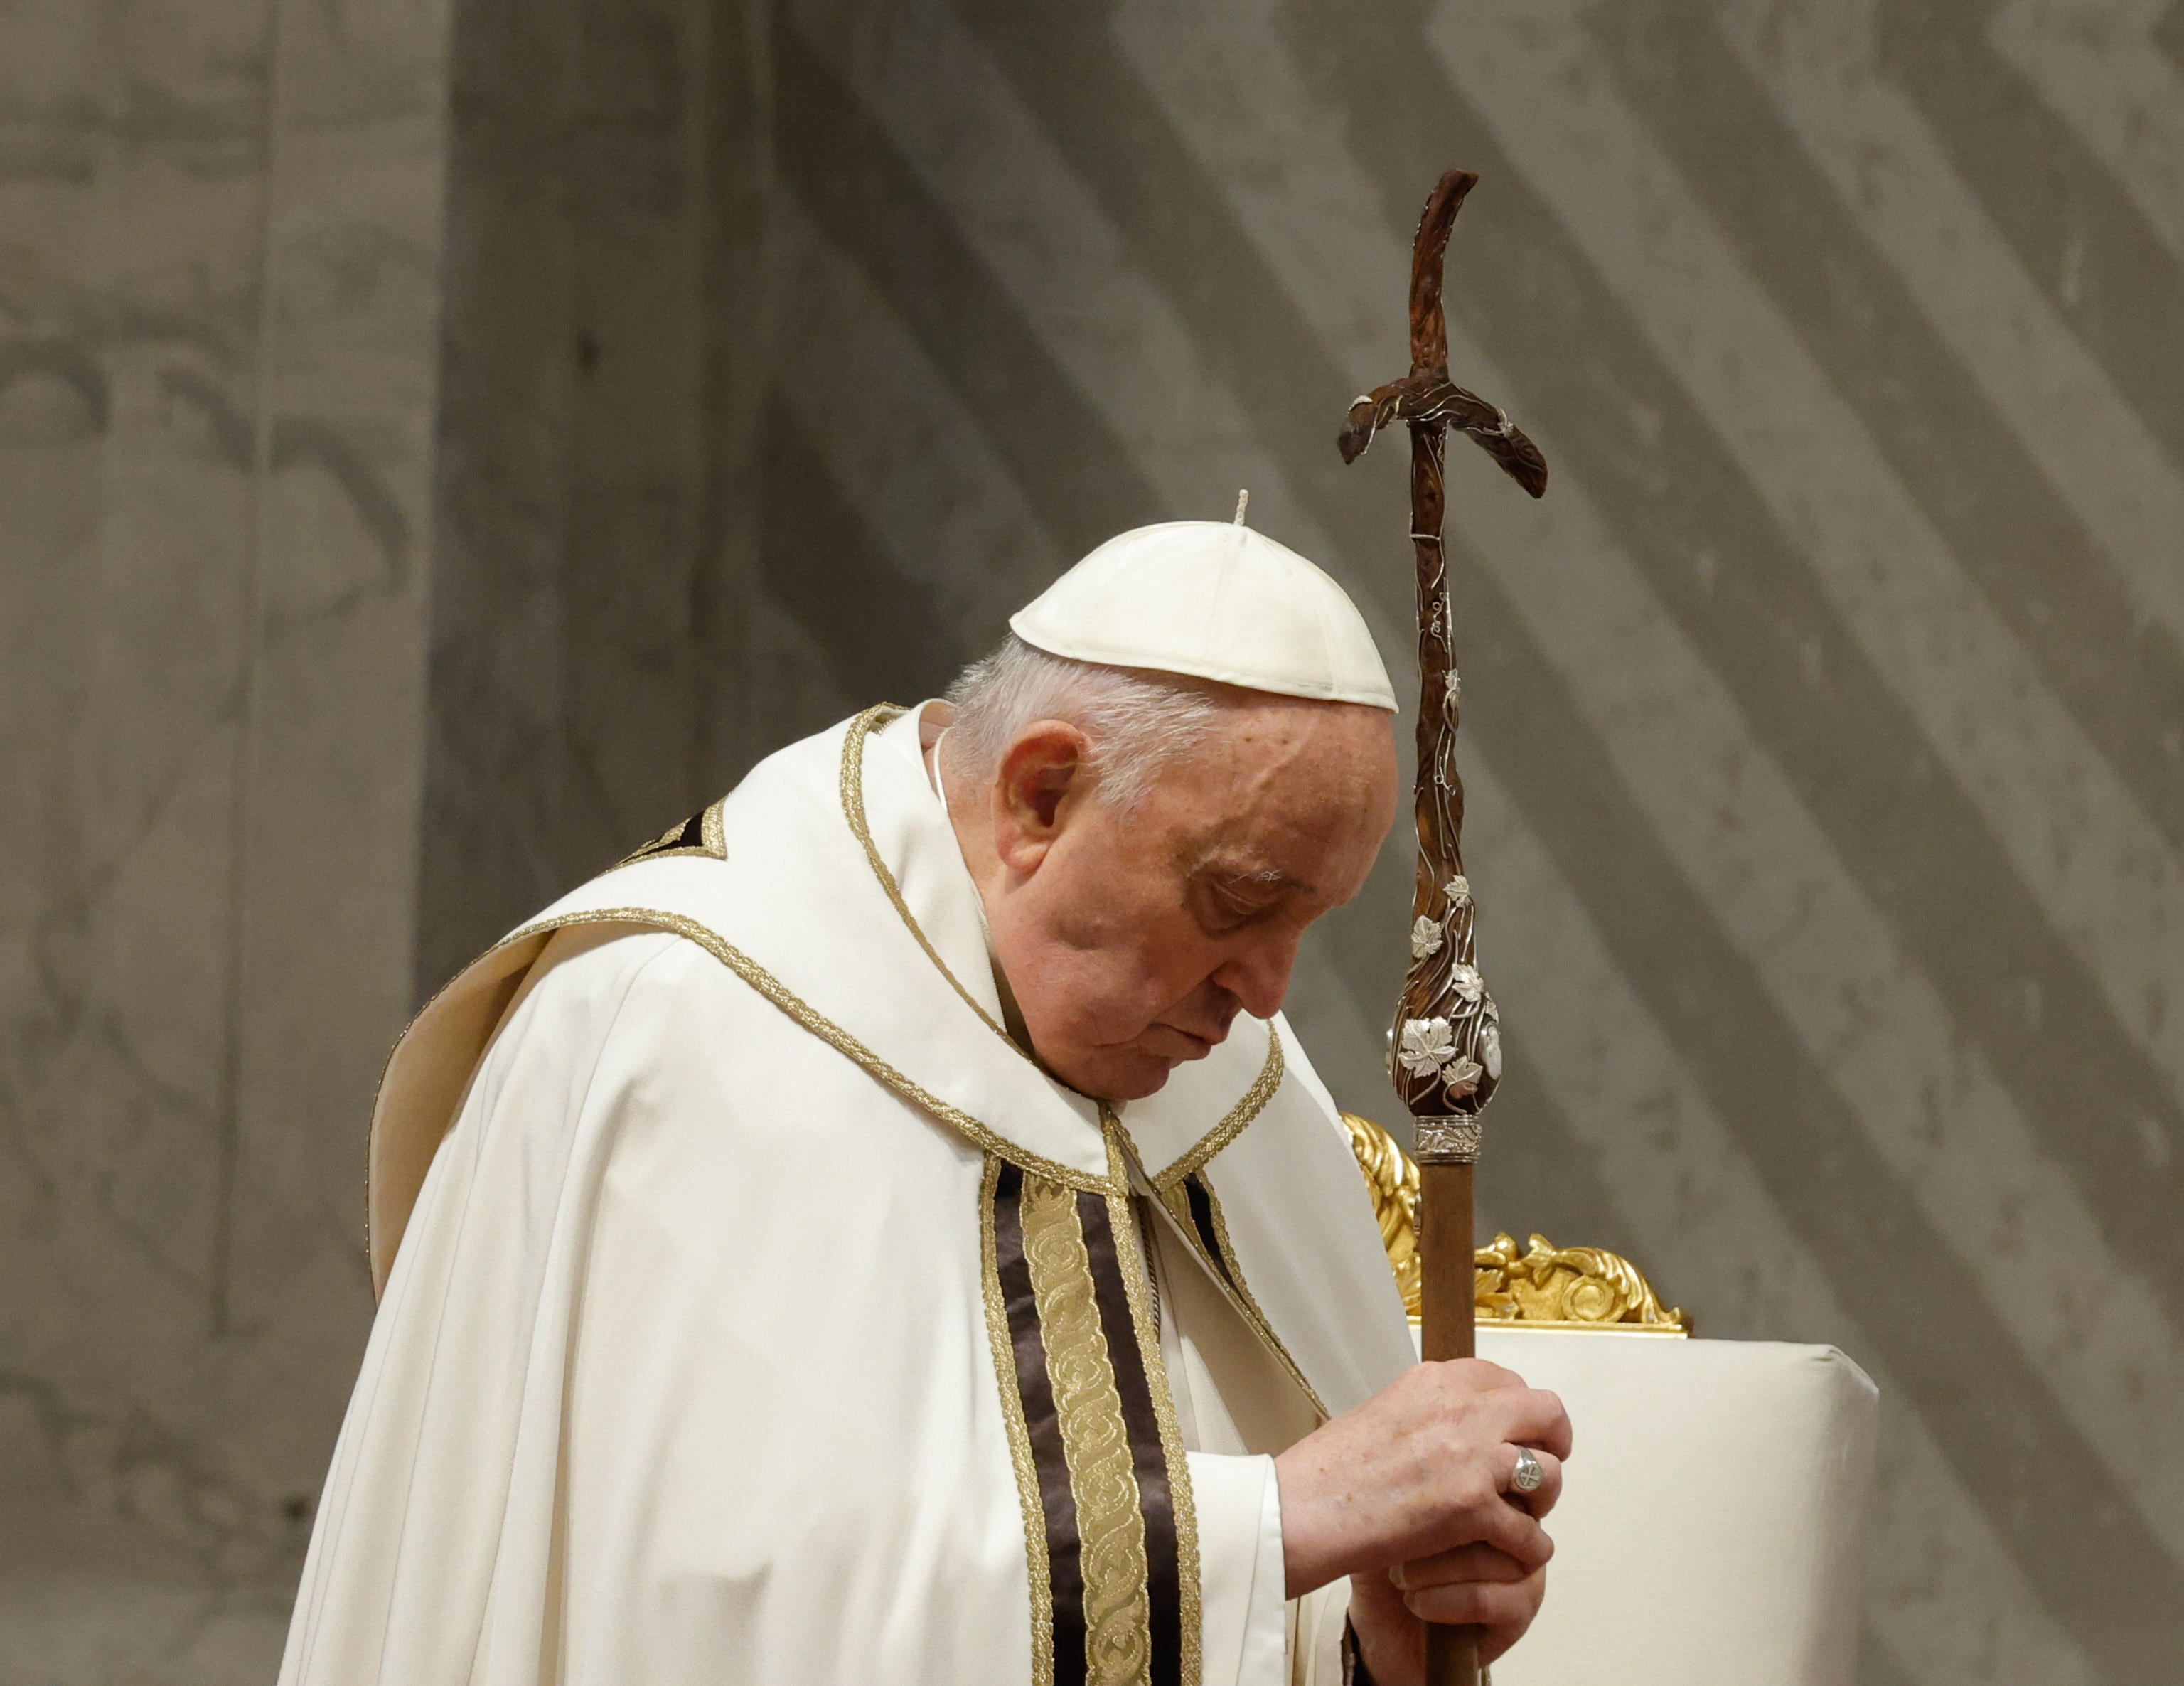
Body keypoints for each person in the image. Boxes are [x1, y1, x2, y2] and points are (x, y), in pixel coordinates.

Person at [279, 518, 1572, 1686]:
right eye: (1236, 903)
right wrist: (1278, 1526)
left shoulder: (1233, 1086)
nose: (1269, 995)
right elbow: (713, 1626)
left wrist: (1365, 1647)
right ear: (1039, 797)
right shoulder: (681, 1032)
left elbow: (1288, 1569)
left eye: (1310, 926)